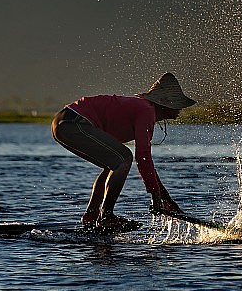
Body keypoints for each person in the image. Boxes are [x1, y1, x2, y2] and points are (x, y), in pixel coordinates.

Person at [51, 72, 196, 231]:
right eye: (177, 104)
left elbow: (144, 160)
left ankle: (91, 215)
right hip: (73, 123)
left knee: (113, 164)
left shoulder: (144, 110)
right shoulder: (146, 110)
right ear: (165, 104)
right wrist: (156, 196)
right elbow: (143, 158)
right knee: (124, 158)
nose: (180, 108)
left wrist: (165, 199)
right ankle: (106, 216)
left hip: (64, 123)